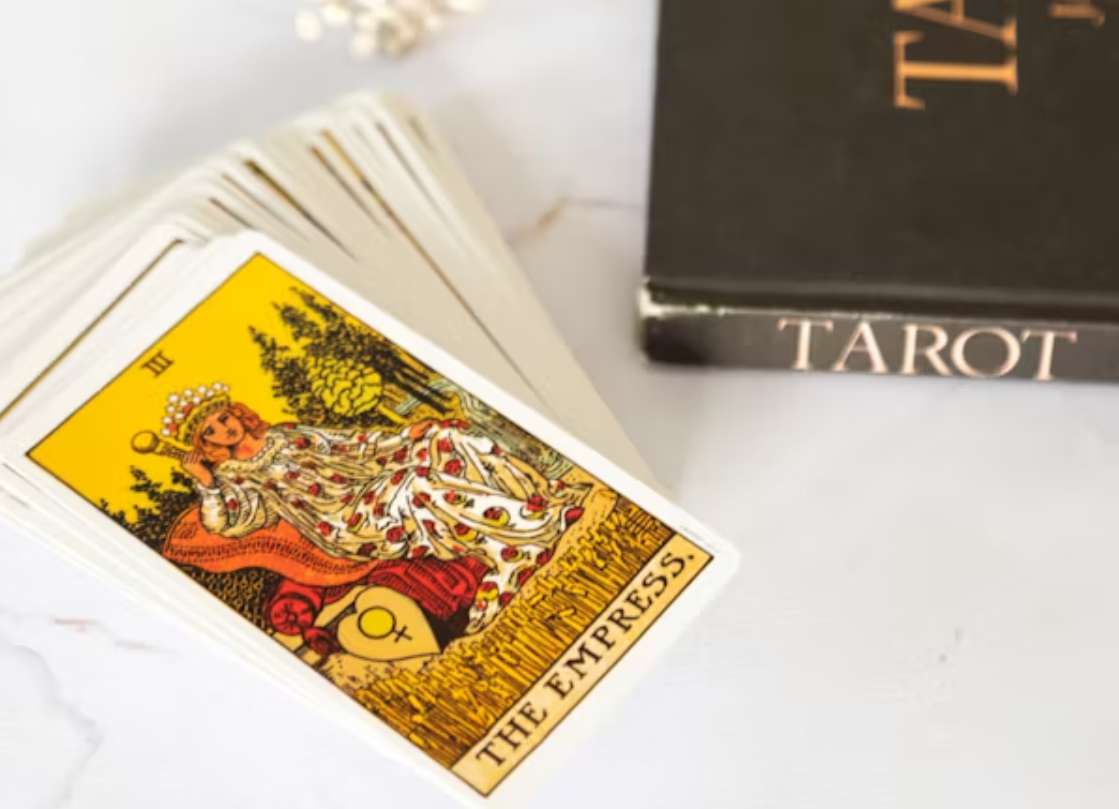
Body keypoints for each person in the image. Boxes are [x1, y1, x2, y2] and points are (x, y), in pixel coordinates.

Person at [163, 383, 586, 634]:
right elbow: (229, 526)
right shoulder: (237, 478)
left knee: (444, 438)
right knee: (414, 485)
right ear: (207, 443)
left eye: (223, 418)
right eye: (211, 430)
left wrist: (408, 436)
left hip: (368, 486)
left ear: (236, 413)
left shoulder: (285, 436)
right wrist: (206, 484)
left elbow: (352, 446)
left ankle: (540, 497)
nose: (224, 428)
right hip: (346, 523)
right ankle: (516, 544)